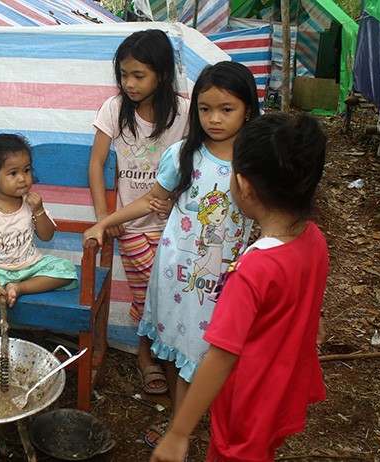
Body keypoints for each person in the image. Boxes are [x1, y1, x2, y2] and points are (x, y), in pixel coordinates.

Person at [83, 61, 259, 446]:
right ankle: (179, 426)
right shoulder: (184, 154)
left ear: (248, 109)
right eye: (205, 109)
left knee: (215, 351)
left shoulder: (257, 160)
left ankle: (194, 425)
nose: (214, 119)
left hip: (230, 276)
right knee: (183, 352)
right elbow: (152, 200)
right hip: (179, 272)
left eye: (226, 109)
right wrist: (104, 220)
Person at [151, 114, 329, 462]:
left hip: (248, 402)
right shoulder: (313, 239)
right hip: (285, 386)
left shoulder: (251, 270)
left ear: (244, 186)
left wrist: (179, 432)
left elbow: (221, 355)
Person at [88, 29, 189, 396]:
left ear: (161, 74)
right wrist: (104, 217)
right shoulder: (114, 109)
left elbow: (193, 165)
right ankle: (147, 355)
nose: (128, 83)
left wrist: (176, 196)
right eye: (123, 75)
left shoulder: (185, 113)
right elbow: (96, 164)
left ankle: (164, 352)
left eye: (138, 75)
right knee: (149, 293)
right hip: (128, 225)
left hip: (174, 224)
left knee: (172, 290)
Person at [0, 134, 78, 337]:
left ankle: (20, 287)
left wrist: (39, 211)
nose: (23, 178)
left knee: (67, 271)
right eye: (13, 173)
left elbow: (46, 236)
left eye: (26, 170)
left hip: (31, 264)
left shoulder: (29, 202)